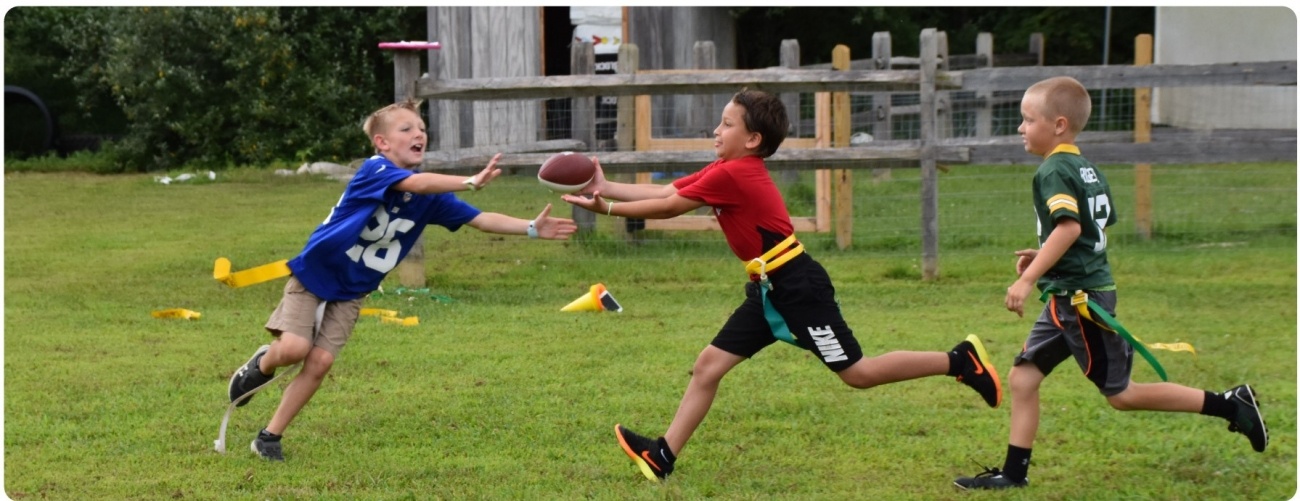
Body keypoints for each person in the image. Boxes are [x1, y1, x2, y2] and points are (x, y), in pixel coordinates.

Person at [560, 89, 1003, 482]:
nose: (716, 130)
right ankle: (662, 455)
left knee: (858, 374)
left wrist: (609, 209)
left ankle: (959, 361)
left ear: (753, 140)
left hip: (798, 288)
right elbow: (671, 191)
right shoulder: (725, 167)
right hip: (769, 288)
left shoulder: (733, 174)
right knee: (708, 366)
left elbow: (670, 208)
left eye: (727, 124)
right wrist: (606, 186)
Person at [952, 76, 1268, 490]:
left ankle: (1230, 404)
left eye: (1028, 120)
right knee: (1023, 378)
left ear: (1059, 124)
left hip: (1081, 303)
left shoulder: (1052, 170)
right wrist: (1043, 256)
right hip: (1069, 294)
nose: (1020, 128)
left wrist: (1029, 278)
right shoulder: (1086, 167)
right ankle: (1013, 475)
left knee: (1122, 395)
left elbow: (1068, 228)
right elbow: (1088, 232)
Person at [226, 100, 578, 461]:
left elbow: (481, 218)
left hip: (353, 288)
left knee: (320, 363)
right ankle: (261, 365)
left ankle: (269, 436)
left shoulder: (431, 199)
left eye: (421, 128)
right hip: (315, 272)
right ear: (382, 143)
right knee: (295, 350)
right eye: (406, 128)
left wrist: (531, 228)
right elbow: (417, 181)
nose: (419, 134)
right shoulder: (374, 169)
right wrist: (469, 180)